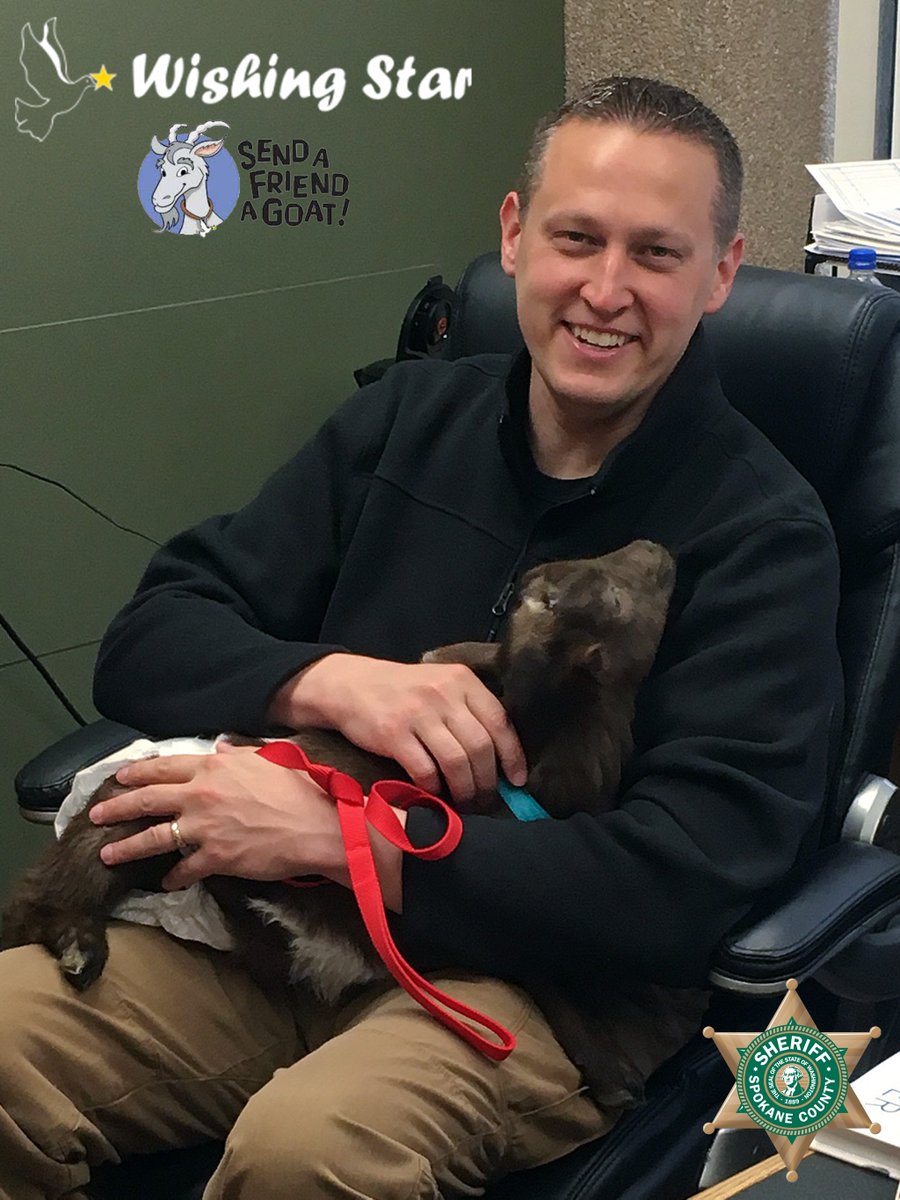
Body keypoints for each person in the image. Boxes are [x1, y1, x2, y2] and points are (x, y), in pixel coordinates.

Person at [0, 76, 842, 1199]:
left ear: (724, 272)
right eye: (576, 238)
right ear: (512, 234)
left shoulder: (762, 534)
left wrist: (340, 842)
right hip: (275, 933)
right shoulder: (400, 422)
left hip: (545, 987)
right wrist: (329, 683)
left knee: (313, 1149)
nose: (605, 289)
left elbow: (681, 882)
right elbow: (153, 636)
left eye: (657, 253)